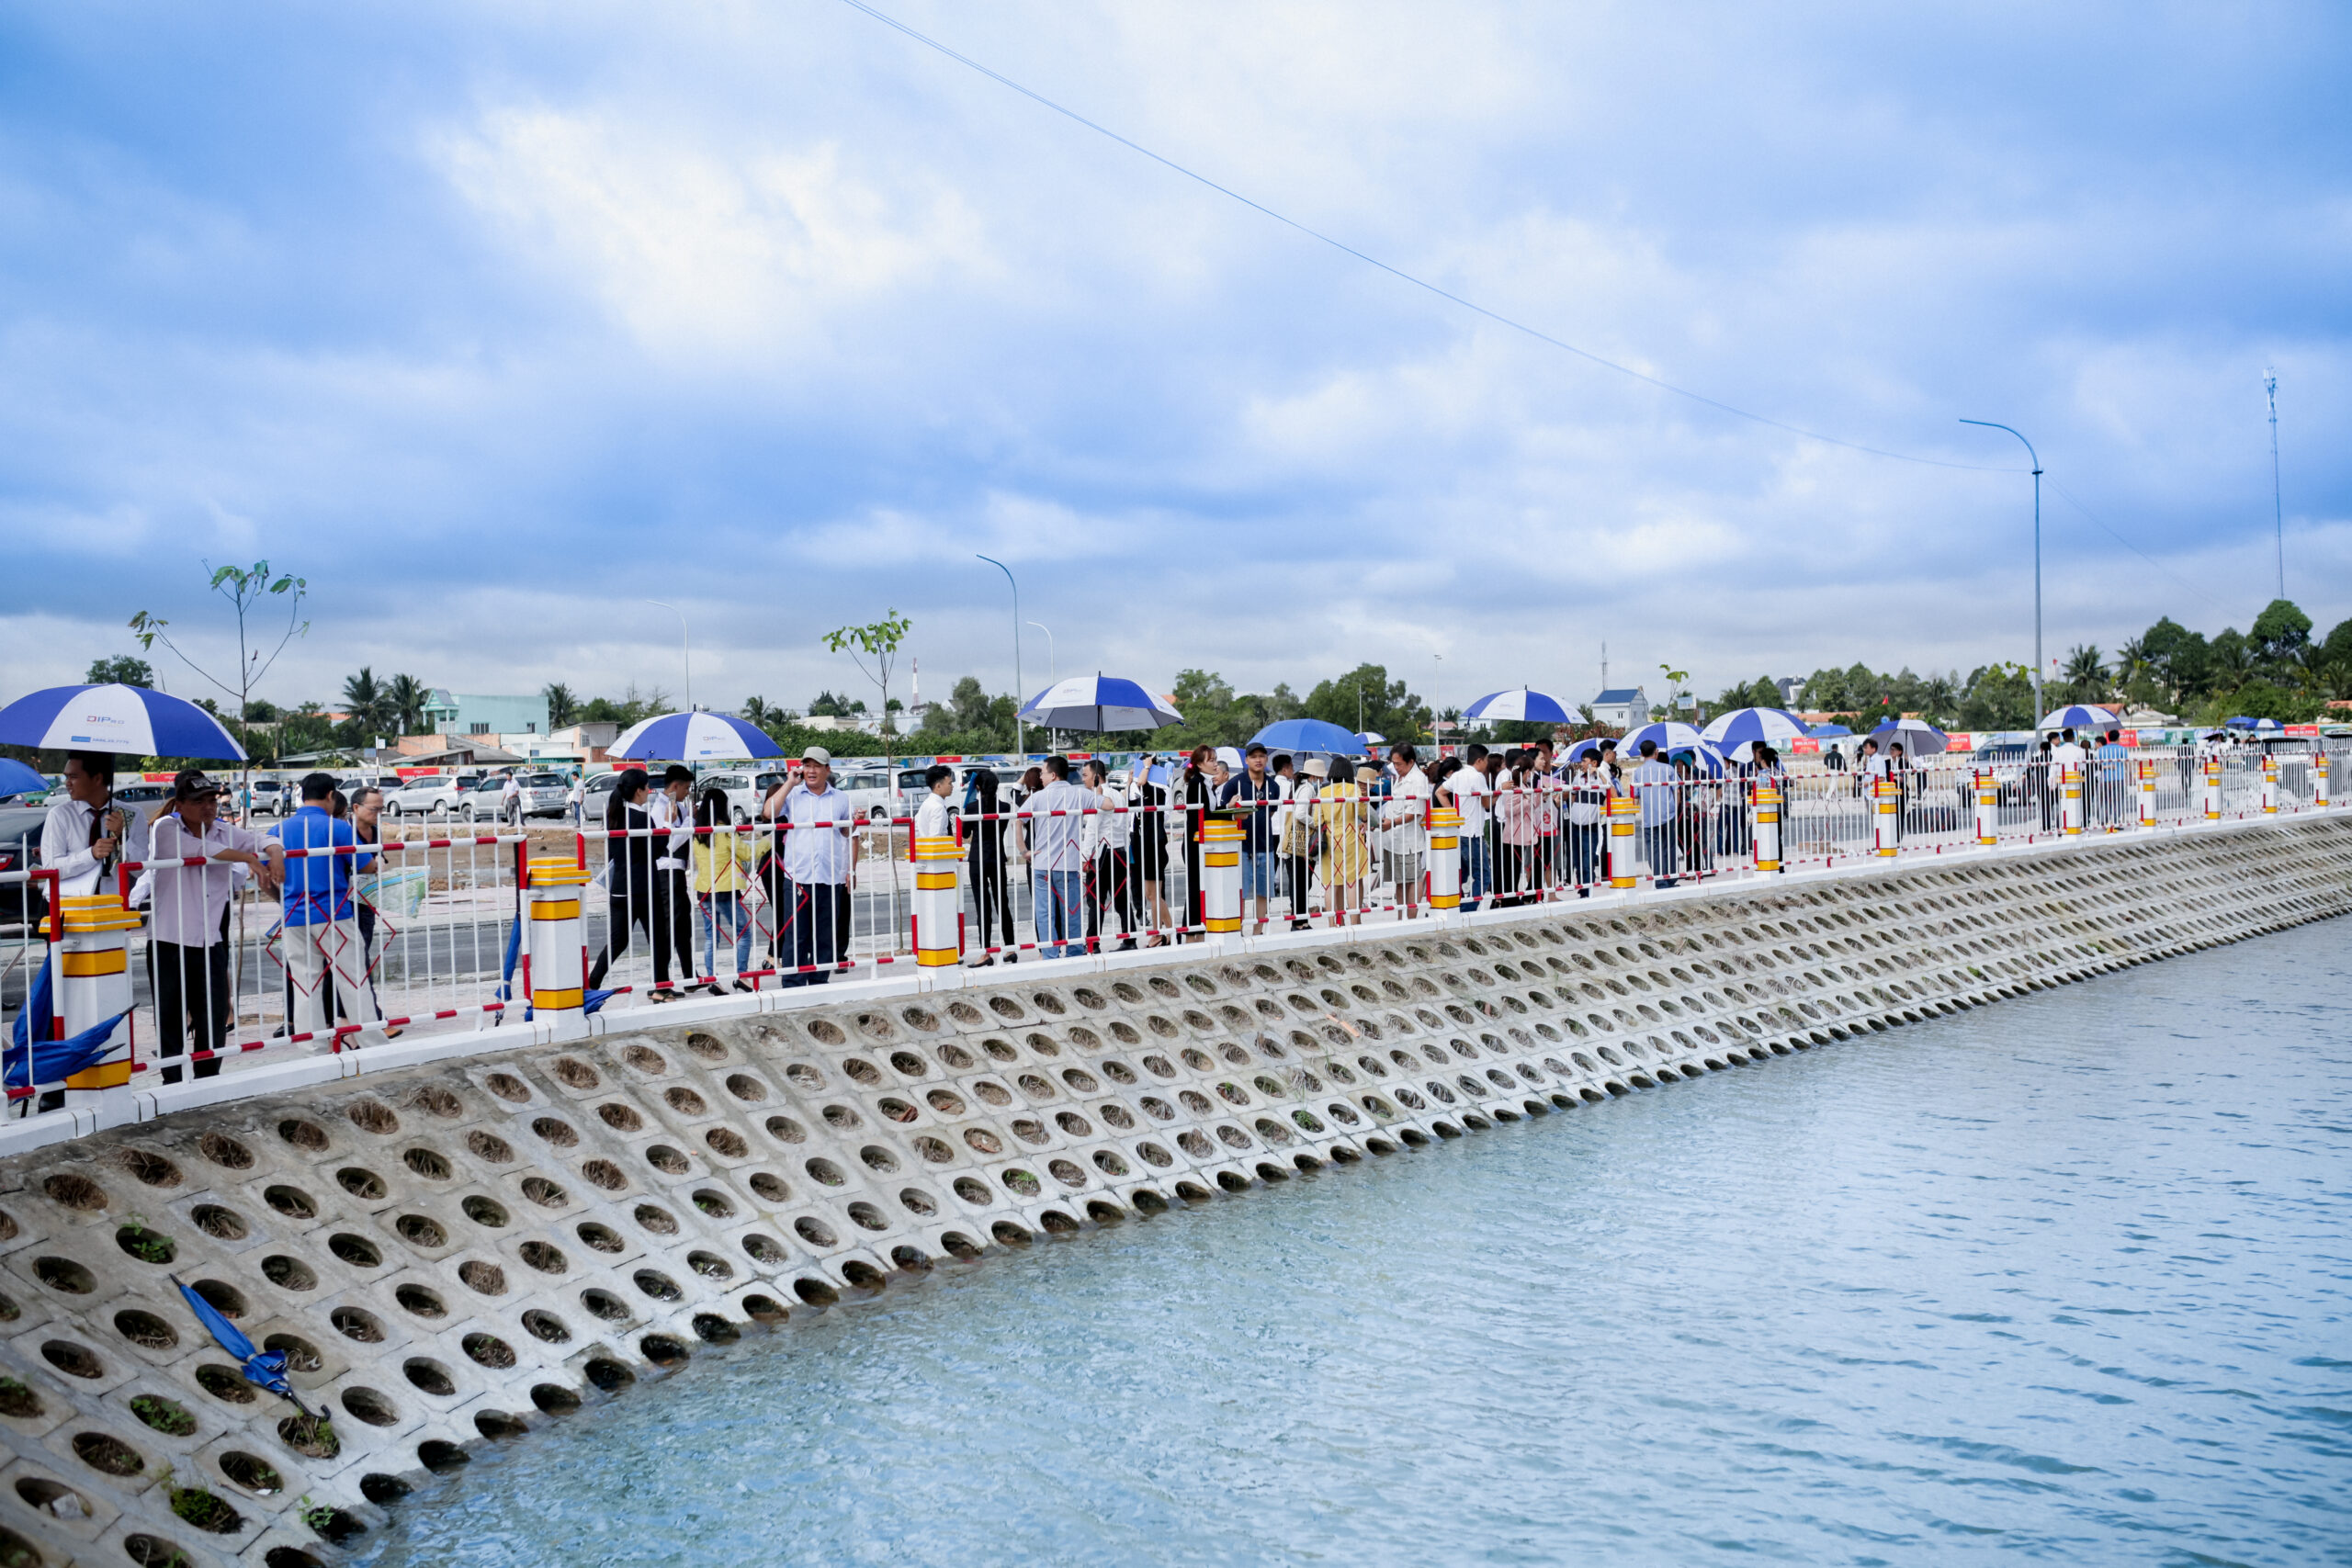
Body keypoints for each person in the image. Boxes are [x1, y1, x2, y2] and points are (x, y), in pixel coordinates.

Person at [149, 770, 282, 1083]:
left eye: (212, 800)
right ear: (180, 804)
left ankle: (208, 1080)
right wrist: (250, 859)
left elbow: (264, 838)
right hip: (169, 940)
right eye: (199, 801)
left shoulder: (222, 831)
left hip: (210, 941)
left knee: (213, 1016)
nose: (208, 807)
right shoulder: (165, 828)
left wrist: (272, 854)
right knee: (170, 1018)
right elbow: (201, 851)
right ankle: (172, 1082)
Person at [276, 771, 389, 1044]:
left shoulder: (277, 830)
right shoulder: (338, 828)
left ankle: (311, 1050)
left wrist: (283, 898)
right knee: (353, 980)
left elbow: (266, 874)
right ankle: (372, 1044)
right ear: (330, 796)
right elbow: (367, 866)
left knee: (305, 985)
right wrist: (377, 865)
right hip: (333, 913)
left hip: (293, 915)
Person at [772, 747, 855, 986]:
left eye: (816, 766)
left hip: (829, 878)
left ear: (827, 770)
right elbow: (769, 812)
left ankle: (819, 983)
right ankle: (793, 985)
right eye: (807, 765)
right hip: (798, 878)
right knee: (796, 936)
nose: (811, 771)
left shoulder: (840, 798)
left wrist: (855, 820)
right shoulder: (793, 795)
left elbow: (847, 831)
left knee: (825, 937)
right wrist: (788, 783)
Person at [587, 768, 660, 991]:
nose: (649, 791)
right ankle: (660, 987)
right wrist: (666, 826)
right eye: (646, 787)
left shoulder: (614, 817)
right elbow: (656, 849)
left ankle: (593, 982)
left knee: (618, 942)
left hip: (619, 888)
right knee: (658, 940)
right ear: (639, 791)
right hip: (643, 889)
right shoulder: (642, 818)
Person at [42, 751, 152, 898]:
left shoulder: (131, 814)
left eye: (73, 777)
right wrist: (91, 854)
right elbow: (51, 867)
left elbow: (141, 870)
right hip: (72, 905)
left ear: (97, 778)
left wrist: (122, 838)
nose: (67, 783)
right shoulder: (60, 815)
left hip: (114, 903)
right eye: (66, 777)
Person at [1021, 755, 1091, 959]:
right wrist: (1094, 793)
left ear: (1052, 775)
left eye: (1043, 772)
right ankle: (1075, 952)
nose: (1041, 777)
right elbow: (1108, 805)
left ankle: (1050, 955)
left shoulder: (1038, 798)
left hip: (1042, 864)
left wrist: (1023, 850)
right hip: (1068, 864)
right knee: (1072, 912)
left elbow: (1018, 819)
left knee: (1045, 914)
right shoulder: (1079, 794)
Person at [692, 787, 753, 992]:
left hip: (704, 891)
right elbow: (746, 854)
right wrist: (766, 843)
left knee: (711, 937)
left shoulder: (697, 833)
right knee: (743, 933)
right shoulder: (725, 832)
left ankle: (712, 979)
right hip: (725, 891)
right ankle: (742, 976)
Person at [1217, 742, 1283, 932]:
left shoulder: (1273, 785)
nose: (1258, 760)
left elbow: (1270, 813)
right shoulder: (1234, 783)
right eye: (1254, 757)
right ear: (1246, 760)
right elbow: (1223, 812)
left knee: (1264, 892)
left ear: (1266, 759)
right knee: (1241, 893)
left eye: (1261, 756)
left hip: (1266, 846)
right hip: (1242, 847)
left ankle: (1258, 932)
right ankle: (1238, 931)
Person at [646, 765, 695, 996]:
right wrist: (688, 824)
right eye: (685, 788)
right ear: (675, 786)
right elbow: (669, 845)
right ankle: (660, 981)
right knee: (668, 928)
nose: (687, 792)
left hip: (678, 871)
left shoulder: (679, 807)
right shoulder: (660, 809)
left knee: (683, 925)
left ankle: (690, 975)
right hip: (666, 871)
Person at [963, 766, 1016, 962]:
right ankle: (1010, 948)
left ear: (977, 787)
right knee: (1003, 904)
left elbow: (965, 834)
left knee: (982, 906)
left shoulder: (971, 808)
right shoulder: (1004, 807)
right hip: (997, 858)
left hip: (978, 860)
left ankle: (986, 952)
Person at [1080, 758, 1135, 951]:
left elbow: (1092, 829)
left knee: (1095, 900)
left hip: (1101, 853)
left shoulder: (1099, 796)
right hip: (1119, 850)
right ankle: (1131, 939)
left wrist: (1085, 858)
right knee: (1120, 898)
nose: (1083, 779)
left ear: (1096, 776)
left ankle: (1092, 943)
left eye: (1085, 775)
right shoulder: (1118, 795)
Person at [1316, 761, 1372, 925]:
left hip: (1330, 836)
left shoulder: (1323, 791)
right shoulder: (1353, 789)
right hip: (1350, 834)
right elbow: (1362, 812)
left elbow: (1316, 819)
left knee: (1330, 882)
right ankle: (1355, 921)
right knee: (1352, 880)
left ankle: (1333, 923)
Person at [1381, 742, 1431, 917]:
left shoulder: (1417, 780)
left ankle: (1411, 918)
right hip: (1394, 838)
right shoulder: (1401, 777)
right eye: (1394, 764)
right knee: (1399, 881)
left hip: (1408, 840)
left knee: (1411, 881)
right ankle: (1401, 916)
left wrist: (1392, 823)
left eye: (1399, 764)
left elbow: (1415, 812)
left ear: (1411, 762)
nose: (1396, 768)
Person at [1127, 756, 1172, 946]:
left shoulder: (1159, 790)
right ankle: (1162, 932)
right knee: (1150, 894)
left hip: (1154, 844)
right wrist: (1129, 782)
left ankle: (1165, 932)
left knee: (1154, 894)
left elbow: (1142, 783)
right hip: (1143, 844)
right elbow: (1129, 800)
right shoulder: (1142, 793)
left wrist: (1146, 767)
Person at [1627, 739, 1679, 888]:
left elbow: (1635, 797)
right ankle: (1671, 878)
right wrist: (1675, 808)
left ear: (1641, 754)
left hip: (1649, 817)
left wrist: (1633, 815)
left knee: (1654, 850)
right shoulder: (1668, 769)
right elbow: (1678, 790)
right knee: (1669, 847)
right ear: (1656, 752)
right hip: (1668, 814)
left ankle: (1660, 881)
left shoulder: (1637, 772)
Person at [1274, 752, 1317, 930]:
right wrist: (1317, 823)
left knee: (1298, 882)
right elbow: (1300, 814)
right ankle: (1300, 921)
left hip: (1289, 838)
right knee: (1302, 882)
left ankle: (1298, 919)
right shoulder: (1307, 788)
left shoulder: (1297, 786)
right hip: (1301, 840)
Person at [1179, 745, 1216, 938]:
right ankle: (1192, 931)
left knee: (1199, 887)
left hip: (1203, 841)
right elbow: (1205, 815)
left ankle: (1195, 929)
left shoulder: (1207, 784)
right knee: (1195, 887)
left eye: (1215, 759)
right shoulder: (1197, 784)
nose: (1215, 764)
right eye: (1211, 760)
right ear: (1200, 764)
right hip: (1194, 842)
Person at [1454, 744, 1494, 911]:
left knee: (1461, 873)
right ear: (1480, 760)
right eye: (1486, 760)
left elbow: (1440, 792)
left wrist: (1452, 813)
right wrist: (1499, 792)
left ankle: (1456, 904)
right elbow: (1487, 804)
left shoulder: (1457, 775)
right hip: (1472, 834)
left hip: (1459, 831)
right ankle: (1467, 908)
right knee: (1483, 876)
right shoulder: (1477, 777)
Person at [1566, 750, 1607, 894]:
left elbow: (1612, 793)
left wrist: (1600, 774)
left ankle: (1588, 891)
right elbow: (1573, 795)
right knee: (1577, 861)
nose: (1581, 764)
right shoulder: (1578, 778)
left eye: (1584, 760)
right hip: (1575, 826)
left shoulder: (1601, 779)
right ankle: (1582, 889)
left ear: (1594, 763)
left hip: (1590, 828)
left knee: (1587, 862)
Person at [2095, 728, 2132, 826]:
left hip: (2105, 779)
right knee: (2118, 801)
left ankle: (2104, 820)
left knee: (2106, 801)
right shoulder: (2122, 749)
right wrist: (2131, 775)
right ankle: (2115, 821)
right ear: (2118, 738)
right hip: (2119, 779)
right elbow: (2127, 764)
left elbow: (2097, 765)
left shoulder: (2100, 750)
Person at [912, 763, 958, 841]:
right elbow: (935, 838)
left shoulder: (927, 803)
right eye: (950, 783)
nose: (952, 786)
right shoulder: (938, 808)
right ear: (938, 786)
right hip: (937, 851)